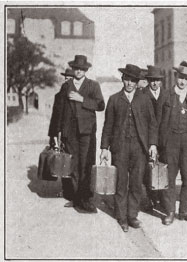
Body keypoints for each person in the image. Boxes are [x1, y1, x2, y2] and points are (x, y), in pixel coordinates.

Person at [100, 64, 158, 232]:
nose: (130, 83)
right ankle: (121, 217)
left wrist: (152, 144)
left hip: (140, 147)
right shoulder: (114, 99)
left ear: (137, 82)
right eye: (127, 80)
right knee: (120, 183)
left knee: (136, 183)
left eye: (133, 80)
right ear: (122, 79)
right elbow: (107, 126)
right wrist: (104, 147)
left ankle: (132, 216)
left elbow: (152, 124)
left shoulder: (144, 99)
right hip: (120, 147)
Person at [156, 63, 187, 225]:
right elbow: (156, 121)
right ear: (176, 77)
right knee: (169, 178)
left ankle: (185, 210)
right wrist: (156, 144)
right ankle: (170, 211)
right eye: (181, 78)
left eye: (186, 79)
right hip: (170, 142)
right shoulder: (166, 95)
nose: (183, 82)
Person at [57, 55, 105, 212]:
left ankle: (86, 197)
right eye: (76, 68)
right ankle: (76, 198)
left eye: (82, 69)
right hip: (70, 132)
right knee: (73, 164)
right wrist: (59, 132)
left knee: (86, 164)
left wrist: (81, 99)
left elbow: (100, 105)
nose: (78, 71)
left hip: (87, 132)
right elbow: (61, 109)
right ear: (73, 69)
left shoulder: (93, 85)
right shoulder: (67, 86)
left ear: (86, 70)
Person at [142, 65, 168, 210]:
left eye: (157, 80)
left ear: (161, 81)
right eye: (152, 80)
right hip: (147, 136)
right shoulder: (142, 94)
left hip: (163, 137)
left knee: (163, 166)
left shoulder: (166, 94)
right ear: (148, 81)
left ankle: (163, 198)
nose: (155, 83)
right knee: (149, 167)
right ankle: (151, 197)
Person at [47, 68, 75, 198]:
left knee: (75, 163)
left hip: (75, 134)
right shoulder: (59, 96)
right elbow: (55, 117)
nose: (67, 80)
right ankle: (67, 190)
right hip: (62, 134)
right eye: (66, 78)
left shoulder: (76, 96)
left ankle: (75, 191)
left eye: (70, 78)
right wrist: (53, 136)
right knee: (64, 161)